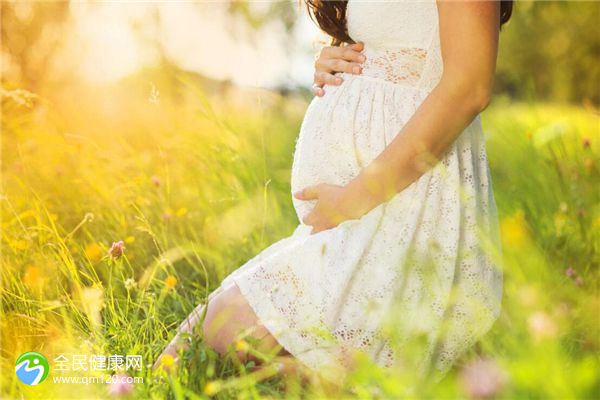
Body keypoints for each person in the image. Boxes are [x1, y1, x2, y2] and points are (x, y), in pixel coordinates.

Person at [156, 0, 513, 384]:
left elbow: (469, 87)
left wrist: (354, 198)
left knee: (206, 339)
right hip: (366, 216)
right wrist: (336, 59)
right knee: (199, 349)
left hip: (406, 213)